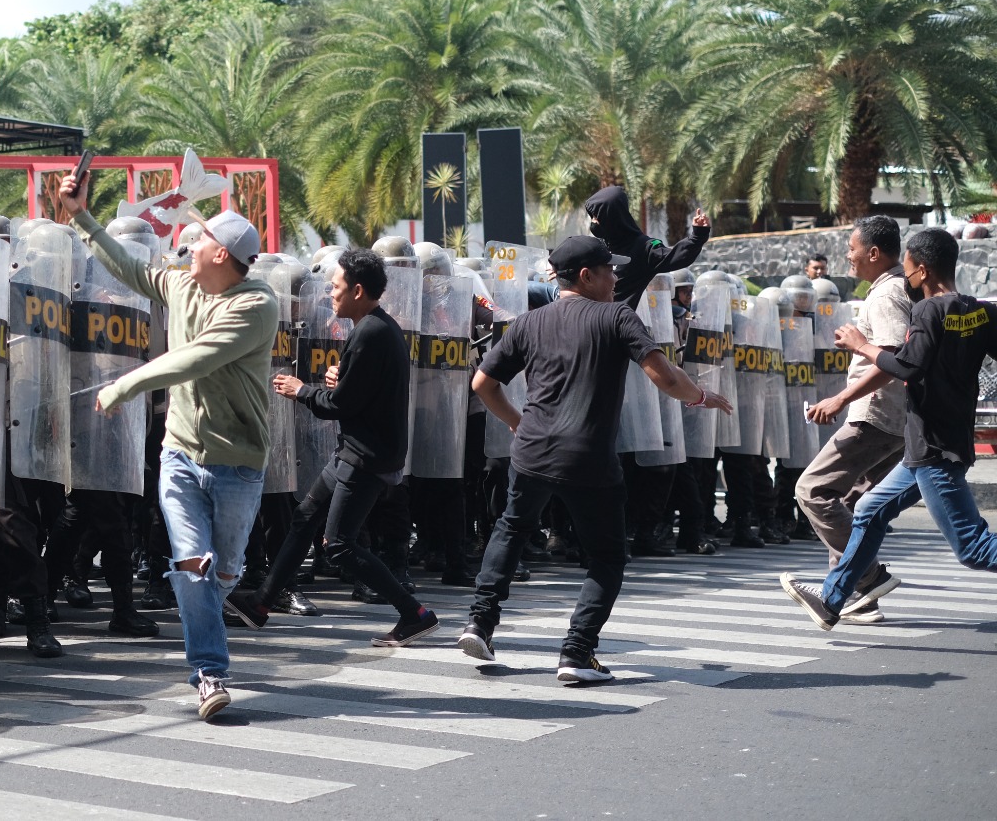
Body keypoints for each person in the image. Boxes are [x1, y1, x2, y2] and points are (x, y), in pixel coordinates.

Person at [458, 236, 731, 682]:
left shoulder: (530, 322)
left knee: (511, 528)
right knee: (606, 557)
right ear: (587, 276)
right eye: (609, 269)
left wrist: (516, 423)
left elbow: (483, 384)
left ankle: (480, 623)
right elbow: (663, 375)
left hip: (532, 450)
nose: (616, 276)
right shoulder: (617, 316)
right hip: (588, 456)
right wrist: (700, 396)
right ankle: (577, 652)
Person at [59, 170, 277, 722]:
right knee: (192, 566)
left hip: (238, 463)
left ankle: (223, 589)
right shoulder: (181, 284)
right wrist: (82, 217)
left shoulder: (256, 305)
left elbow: (196, 357)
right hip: (180, 455)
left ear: (223, 255)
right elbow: (130, 266)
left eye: (201, 238)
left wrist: (126, 384)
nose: (189, 242)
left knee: (223, 570)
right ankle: (210, 672)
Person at [781, 229, 997, 628]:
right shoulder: (980, 310)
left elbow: (908, 368)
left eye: (909, 266)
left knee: (973, 548)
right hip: (933, 442)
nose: (906, 274)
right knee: (867, 511)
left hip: (934, 447)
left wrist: (862, 345)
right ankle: (832, 601)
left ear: (923, 269)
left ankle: (837, 596)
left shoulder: (928, 311)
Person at [226, 248, 440, 646]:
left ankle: (414, 614)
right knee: (304, 519)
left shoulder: (371, 332)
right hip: (356, 449)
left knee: (339, 544)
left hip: (365, 455)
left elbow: (338, 406)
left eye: (336, 286)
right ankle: (260, 603)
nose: (329, 293)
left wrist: (300, 390)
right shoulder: (375, 328)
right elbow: (358, 392)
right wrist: (337, 380)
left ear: (358, 291)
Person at [795, 216, 910, 622]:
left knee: (812, 490)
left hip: (875, 415)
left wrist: (841, 398)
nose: (848, 256)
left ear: (874, 253)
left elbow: (894, 358)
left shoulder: (886, 294)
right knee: (849, 502)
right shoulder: (897, 288)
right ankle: (858, 598)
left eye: (853, 249)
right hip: (892, 418)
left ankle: (869, 577)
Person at [583, 186, 712, 310]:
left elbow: (676, 256)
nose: (593, 222)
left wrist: (697, 237)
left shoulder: (643, 248)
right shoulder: (600, 247)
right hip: (590, 323)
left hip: (617, 326)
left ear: (611, 216)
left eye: (596, 217)